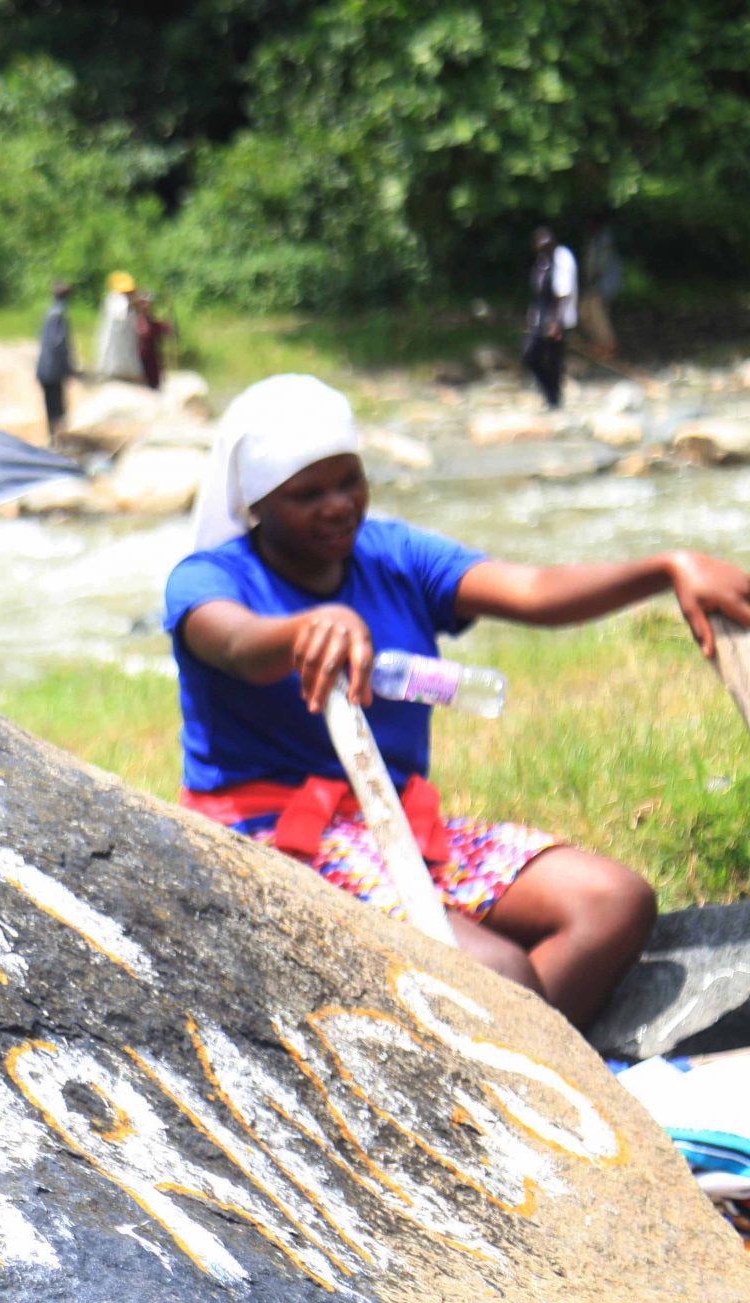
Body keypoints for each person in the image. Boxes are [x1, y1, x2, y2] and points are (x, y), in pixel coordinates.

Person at [163, 374, 750, 1025]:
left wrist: (666, 568)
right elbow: (236, 641)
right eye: (307, 494)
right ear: (257, 504)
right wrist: (305, 629)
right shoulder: (211, 579)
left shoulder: (392, 554)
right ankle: (507, 1086)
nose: (337, 506)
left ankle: (515, 1084)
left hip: (394, 823)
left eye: (349, 481)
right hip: (271, 834)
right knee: (499, 974)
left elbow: (532, 588)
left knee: (613, 901)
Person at [523, 226, 578, 409]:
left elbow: (563, 293)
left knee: (554, 358)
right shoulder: (542, 261)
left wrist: (556, 323)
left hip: (558, 319)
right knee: (531, 355)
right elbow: (539, 294)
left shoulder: (562, 258)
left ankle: (554, 399)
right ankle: (550, 394)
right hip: (541, 318)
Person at [36, 281, 75, 442]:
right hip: (53, 370)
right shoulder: (59, 314)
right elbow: (59, 344)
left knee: (52, 405)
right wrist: (68, 367)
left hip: (46, 368)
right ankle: (56, 439)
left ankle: (55, 438)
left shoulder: (50, 312)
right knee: (56, 406)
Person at [582, 221, 624, 362]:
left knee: (597, 310)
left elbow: (602, 261)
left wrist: (595, 275)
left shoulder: (604, 237)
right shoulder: (593, 239)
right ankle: (600, 343)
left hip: (605, 280)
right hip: (596, 282)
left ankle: (608, 345)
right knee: (586, 311)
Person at [95, 271, 143, 383]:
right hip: (114, 350)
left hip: (126, 349)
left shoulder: (128, 303)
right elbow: (120, 314)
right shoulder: (114, 300)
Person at [133, 290, 174, 391]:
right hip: (140, 357)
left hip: (153, 357)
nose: (146, 306)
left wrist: (165, 327)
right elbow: (143, 333)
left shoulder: (152, 320)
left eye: (148, 303)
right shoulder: (137, 319)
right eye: (143, 303)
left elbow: (164, 330)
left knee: (155, 383)